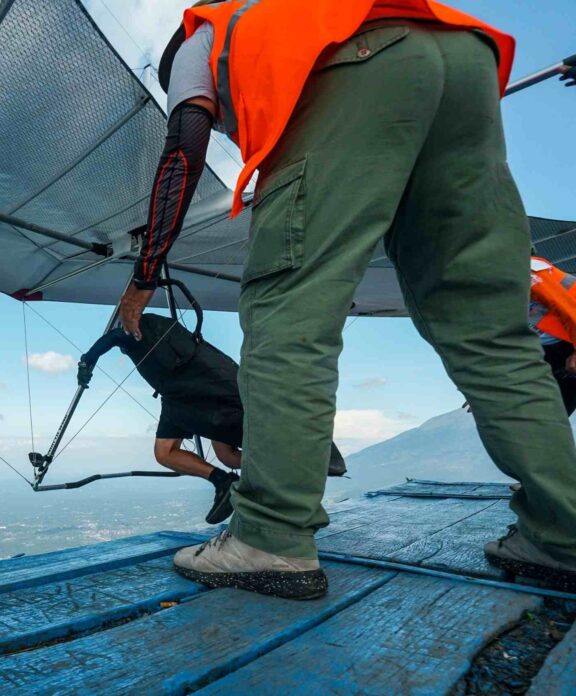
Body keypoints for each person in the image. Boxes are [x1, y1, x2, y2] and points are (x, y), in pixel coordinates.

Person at [118, 0, 576, 599]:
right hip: (465, 61)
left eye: (228, 116)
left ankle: (270, 537)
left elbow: (185, 143)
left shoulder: (195, 39)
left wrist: (145, 272)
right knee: (492, 330)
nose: (235, 128)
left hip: (363, 59)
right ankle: (562, 536)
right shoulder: (283, 14)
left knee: (289, 308)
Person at [78, 311, 348, 525]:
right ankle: (225, 480)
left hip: (202, 388)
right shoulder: (156, 331)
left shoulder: (136, 329)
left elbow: (110, 340)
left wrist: (87, 360)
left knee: (229, 441)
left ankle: (305, 455)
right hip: (185, 393)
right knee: (203, 455)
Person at [529, 255, 576, 415]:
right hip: (552, 351)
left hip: (571, 338)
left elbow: (567, 309)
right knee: (548, 417)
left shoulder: (525, 269)